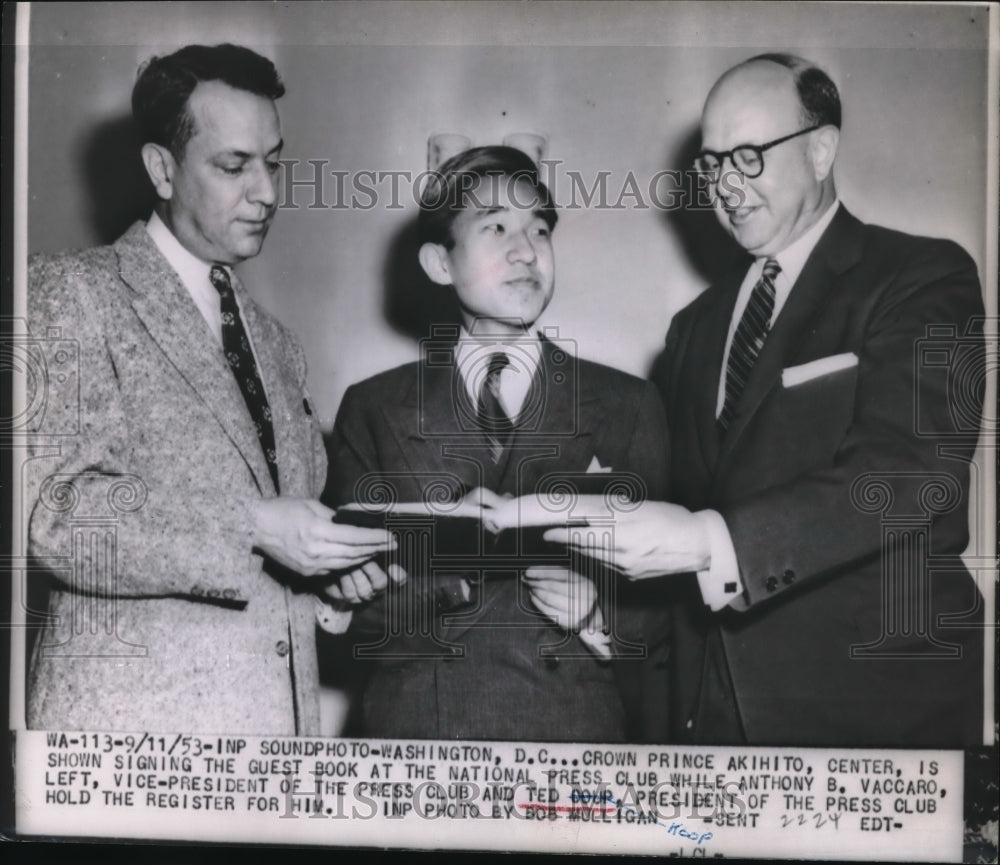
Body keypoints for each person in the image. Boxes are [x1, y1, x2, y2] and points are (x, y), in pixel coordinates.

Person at [549, 54, 985, 746]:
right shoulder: (692, 327)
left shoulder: (923, 277)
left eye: (749, 156)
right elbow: (674, 506)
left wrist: (708, 541)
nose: (725, 184)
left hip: (869, 709)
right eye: (712, 162)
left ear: (820, 150)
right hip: (708, 715)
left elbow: (912, 477)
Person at [25, 44, 393, 734]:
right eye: (234, 165)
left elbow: (278, 540)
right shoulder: (73, 291)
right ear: (162, 169)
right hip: (130, 740)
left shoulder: (277, 343)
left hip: (271, 750)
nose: (268, 192)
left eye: (273, 161)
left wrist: (323, 575)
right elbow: (57, 514)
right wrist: (253, 525)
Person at [324, 146, 672, 742]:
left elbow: (675, 604)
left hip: (573, 742)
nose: (526, 250)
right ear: (439, 263)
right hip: (419, 741)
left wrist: (597, 613)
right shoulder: (373, 408)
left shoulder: (628, 405)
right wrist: (446, 585)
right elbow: (350, 613)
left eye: (540, 228)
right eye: (495, 228)